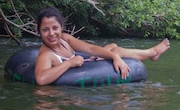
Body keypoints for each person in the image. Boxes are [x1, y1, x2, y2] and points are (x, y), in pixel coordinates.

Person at [35, 7, 170, 86]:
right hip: (75, 77)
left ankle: (152, 53)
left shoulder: (65, 38)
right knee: (117, 50)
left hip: (85, 63)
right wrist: (69, 63)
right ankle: (152, 53)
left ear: (61, 27)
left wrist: (114, 57)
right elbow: (41, 79)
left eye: (55, 28)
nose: (51, 33)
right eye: (45, 29)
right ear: (39, 31)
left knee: (113, 47)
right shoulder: (46, 54)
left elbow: (89, 49)